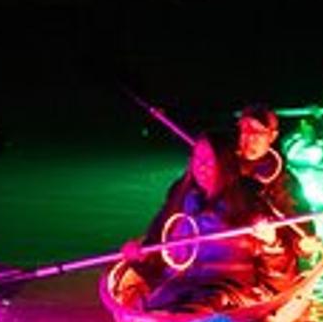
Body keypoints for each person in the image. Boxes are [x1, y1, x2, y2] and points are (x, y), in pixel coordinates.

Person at [120, 131, 279, 311]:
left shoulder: (250, 203)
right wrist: (138, 257)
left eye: (209, 160)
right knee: (153, 304)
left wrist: (271, 242)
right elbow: (154, 254)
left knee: (204, 306)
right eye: (197, 159)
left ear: (225, 164)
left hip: (228, 293)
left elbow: (277, 272)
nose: (201, 167)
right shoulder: (178, 200)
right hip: (180, 285)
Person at [234, 104, 323, 286]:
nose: (250, 137)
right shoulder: (217, 169)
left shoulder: (286, 182)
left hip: (271, 262)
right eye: (245, 129)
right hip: (229, 258)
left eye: (258, 131)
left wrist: (304, 245)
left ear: (272, 136)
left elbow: (303, 228)